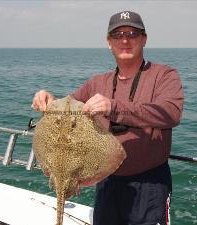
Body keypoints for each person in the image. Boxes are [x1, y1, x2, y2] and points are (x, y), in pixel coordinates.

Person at [32, 10, 184, 225]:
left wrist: (113, 107)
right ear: (108, 42)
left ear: (144, 39)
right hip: (105, 180)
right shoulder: (97, 83)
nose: (124, 40)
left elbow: (171, 113)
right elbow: (67, 109)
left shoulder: (164, 75)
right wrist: (48, 99)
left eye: (132, 33)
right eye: (117, 34)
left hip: (149, 184)